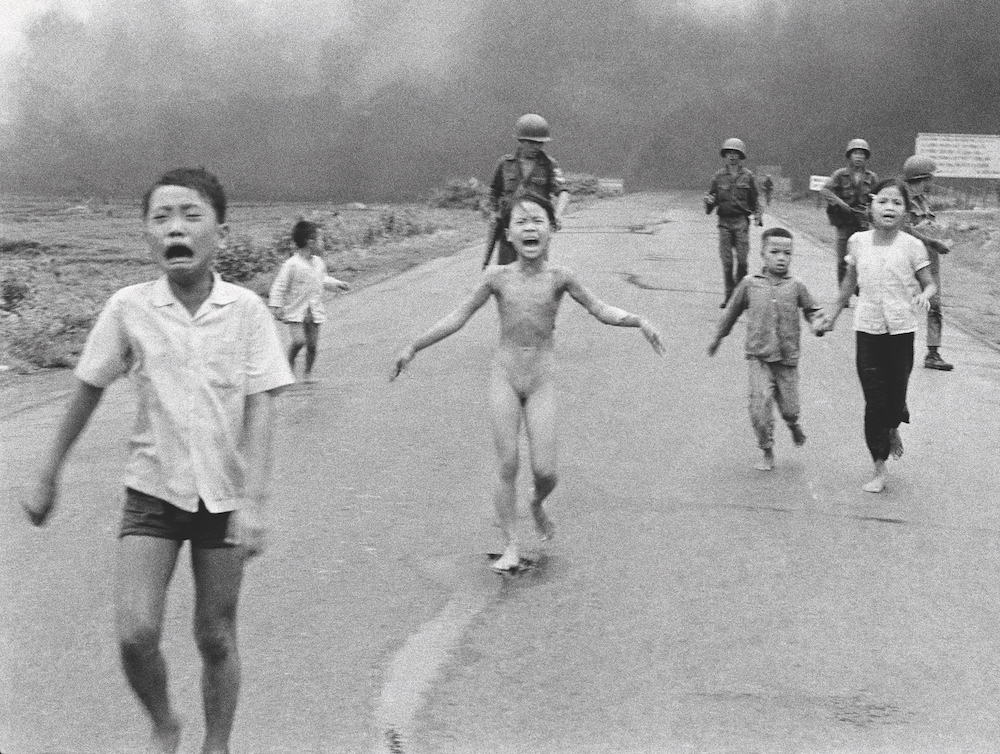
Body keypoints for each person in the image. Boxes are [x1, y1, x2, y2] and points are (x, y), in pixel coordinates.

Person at [24, 168, 295, 753]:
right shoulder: (128, 308)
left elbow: (263, 407)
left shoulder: (247, 311)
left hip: (223, 496)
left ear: (221, 231)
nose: (176, 228)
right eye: (161, 217)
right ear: (146, 233)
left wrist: (256, 501)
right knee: (135, 633)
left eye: (191, 215)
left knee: (215, 635)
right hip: (153, 491)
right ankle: (165, 722)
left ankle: (216, 744)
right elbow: (87, 388)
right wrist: (48, 470)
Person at [392, 195, 664, 572]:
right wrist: (414, 346)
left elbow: (600, 309)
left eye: (538, 220)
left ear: (551, 232)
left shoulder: (561, 277)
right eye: (521, 221)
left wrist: (639, 321)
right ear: (509, 234)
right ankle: (510, 544)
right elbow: (458, 316)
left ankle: (536, 504)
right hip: (504, 376)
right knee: (507, 464)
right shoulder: (496, 278)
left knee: (546, 471)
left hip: (540, 380)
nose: (530, 226)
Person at [818, 178, 936, 493]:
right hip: (867, 328)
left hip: (901, 331)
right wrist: (832, 313)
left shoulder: (913, 246)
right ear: (871, 206)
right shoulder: (857, 241)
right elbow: (848, 284)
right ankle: (878, 466)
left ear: (906, 212)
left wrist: (926, 294)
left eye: (897, 203)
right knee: (874, 398)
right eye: (883, 201)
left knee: (895, 397)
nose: (889, 208)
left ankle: (893, 424)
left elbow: (929, 282)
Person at [708, 227, 823, 471]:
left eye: (787, 253)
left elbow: (812, 310)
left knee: (791, 409)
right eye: (775, 252)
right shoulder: (749, 285)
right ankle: (767, 449)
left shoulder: (797, 285)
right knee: (759, 407)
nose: (781, 258)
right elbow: (731, 312)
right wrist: (718, 337)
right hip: (759, 356)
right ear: (762, 253)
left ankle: (793, 425)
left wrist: (817, 323)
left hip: (787, 359)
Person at [269, 219, 351, 383]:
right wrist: (276, 306)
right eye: (320, 240)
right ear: (310, 242)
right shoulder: (291, 265)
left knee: (312, 346)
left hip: (314, 311)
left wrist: (337, 284)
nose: (323, 244)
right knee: (299, 341)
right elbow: (279, 285)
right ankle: (288, 365)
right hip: (296, 311)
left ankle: (307, 374)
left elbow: (322, 280)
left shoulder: (318, 263)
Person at [485, 113, 570, 267]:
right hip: (510, 227)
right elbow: (494, 192)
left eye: (540, 143)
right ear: (520, 140)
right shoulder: (505, 164)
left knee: (536, 270)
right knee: (506, 271)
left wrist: (557, 215)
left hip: (536, 228)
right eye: (531, 142)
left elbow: (563, 192)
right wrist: (493, 213)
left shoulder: (550, 165)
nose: (536, 147)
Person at [901, 155, 953, 371]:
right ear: (922, 177)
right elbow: (905, 229)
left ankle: (933, 353)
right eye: (930, 177)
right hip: (910, 260)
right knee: (903, 305)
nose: (932, 181)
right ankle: (896, 349)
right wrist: (933, 241)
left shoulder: (923, 200)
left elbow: (927, 226)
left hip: (930, 260)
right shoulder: (902, 200)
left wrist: (940, 241)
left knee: (935, 306)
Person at [704, 137, 764, 307]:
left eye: (735, 153)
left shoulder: (748, 176)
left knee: (743, 262)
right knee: (727, 262)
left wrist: (758, 214)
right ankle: (729, 297)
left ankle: (740, 295)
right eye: (729, 153)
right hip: (724, 222)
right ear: (724, 156)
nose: (732, 156)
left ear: (741, 156)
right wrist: (708, 202)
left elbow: (755, 199)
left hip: (741, 222)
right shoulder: (718, 177)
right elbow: (710, 203)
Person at [820, 138, 878, 289]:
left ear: (866, 157)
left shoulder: (871, 177)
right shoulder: (840, 175)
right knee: (842, 260)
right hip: (844, 222)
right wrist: (841, 204)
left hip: (862, 223)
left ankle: (857, 287)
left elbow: (877, 198)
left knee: (861, 258)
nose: (858, 157)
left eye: (862, 154)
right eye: (855, 153)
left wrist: (870, 211)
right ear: (849, 156)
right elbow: (825, 190)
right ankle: (843, 292)